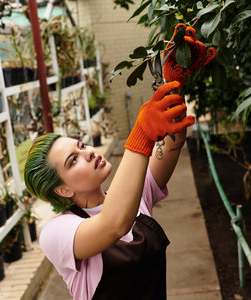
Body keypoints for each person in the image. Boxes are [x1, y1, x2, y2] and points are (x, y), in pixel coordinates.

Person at [24, 24, 215, 300]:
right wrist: (139, 136)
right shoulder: (57, 233)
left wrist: (171, 83)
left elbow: (171, 145)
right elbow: (114, 224)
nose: (88, 152)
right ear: (62, 189)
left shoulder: (132, 196)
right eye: (73, 159)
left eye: (81, 145)